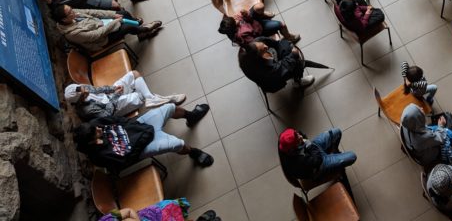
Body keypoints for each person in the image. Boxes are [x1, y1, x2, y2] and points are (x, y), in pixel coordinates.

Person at [74, 103, 213, 172]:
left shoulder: (95, 124)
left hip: (138, 126)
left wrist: (136, 127)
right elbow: (127, 158)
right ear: (92, 141)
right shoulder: (100, 157)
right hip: (141, 146)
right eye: (96, 132)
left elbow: (118, 119)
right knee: (177, 144)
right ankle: (192, 152)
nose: (99, 128)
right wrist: (143, 137)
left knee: (169, 107)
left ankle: (191, 116)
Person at [64, 70, 188, 120]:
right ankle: (159, 99)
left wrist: (113, 89)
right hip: (114, 107)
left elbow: (99, 89)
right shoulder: (86, 110)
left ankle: (151, 98)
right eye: (84, 93)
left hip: (111, 96)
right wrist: (116, 96)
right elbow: (108, 114)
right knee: (140, 95)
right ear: (80, 99)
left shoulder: (82, 89)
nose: (86, 90)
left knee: (134, 74)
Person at [54, 5, 161, 53]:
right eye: (70, 13)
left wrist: (113, 15)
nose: (73, 12)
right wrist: (116, 21)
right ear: (64, 19)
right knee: (126, 26)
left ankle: (139, 31)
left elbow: (92, 12)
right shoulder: (72, 34)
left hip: (101, 24)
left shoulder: (72, 14)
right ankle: (144, 29)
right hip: (101, 40)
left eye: (71, 9)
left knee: (122, 13)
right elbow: (97, 35)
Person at [278, 127, 356, 186]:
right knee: (352, 156)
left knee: (337, 131)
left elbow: (301, 135)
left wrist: (303, 142)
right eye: (298, 140)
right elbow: (318, 160)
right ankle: (334, 164)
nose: (300, 136)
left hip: (312, 149)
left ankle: (333, 153)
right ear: (292, 150)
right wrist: (308, 144)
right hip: (319, 165)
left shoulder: (285, 140)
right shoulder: (298, 163)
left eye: (297, 134)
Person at [238, 36, 315, 91]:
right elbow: (278, 70)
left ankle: (292, 60)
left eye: (262, 44)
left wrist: (286, 46)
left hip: (274, 67)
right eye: (263, 50)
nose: (266, 46)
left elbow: (276, 43)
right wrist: (293, 54)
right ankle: (298, 82)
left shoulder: (257, 42)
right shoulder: (261, 70)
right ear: (257, 58)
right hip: (272, 80)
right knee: (297, 64)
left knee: (286, 46)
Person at [218, 3, 300, 45]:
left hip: (253, 22)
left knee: (259, 6)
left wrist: (246, 15)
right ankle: (289, 37)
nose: (236, 18)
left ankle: (263, 15)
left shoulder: (232, 23)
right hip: (259, 29)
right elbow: (256, 40)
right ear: (235, 27)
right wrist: (248, 20)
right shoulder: (242, 35)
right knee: (282, 25)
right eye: (235, 20)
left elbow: (246, 19)